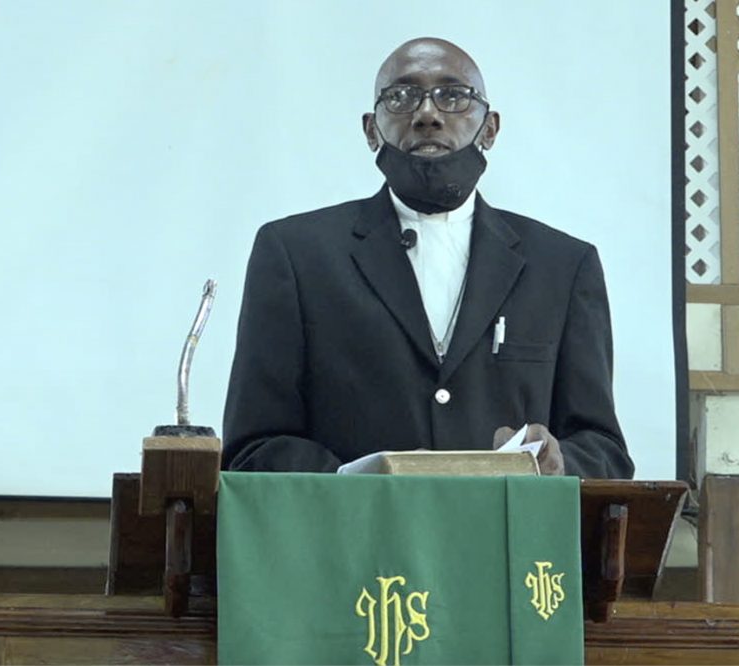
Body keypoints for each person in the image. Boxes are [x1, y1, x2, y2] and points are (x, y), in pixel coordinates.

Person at [222, 37, 634, 479]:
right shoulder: (295, 254)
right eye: (400, 97)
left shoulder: (563, 266)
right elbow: (253, 448)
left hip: (508, 542)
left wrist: (557, 463)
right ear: (370, 129)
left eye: (453, 95)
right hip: (351, 542)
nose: (427, 114)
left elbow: (604, 451)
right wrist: (362, 481)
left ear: (490, 128)